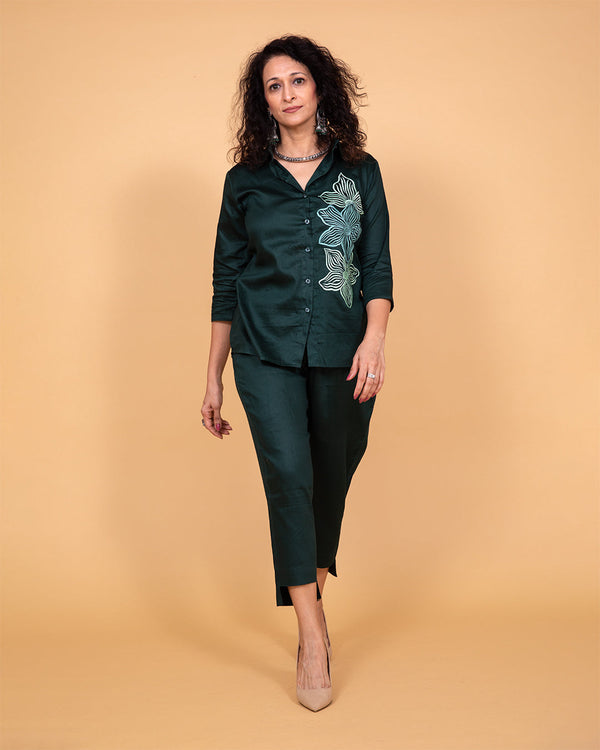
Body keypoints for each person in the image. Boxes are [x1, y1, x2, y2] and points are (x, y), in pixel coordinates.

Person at [201, 34, 393, 711]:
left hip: (344, 350)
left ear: (319, 88)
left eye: (297, 80)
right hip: (262, 350)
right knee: (288, 474)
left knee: (330, 475)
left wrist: (374, 340)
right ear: (263, 102)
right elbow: (226, 280)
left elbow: (376, 266)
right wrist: (214, 375)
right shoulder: (245, 182)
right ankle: (312, 632)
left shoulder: (360, 172)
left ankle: (312, 592)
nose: (287, 94)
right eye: (273, 85)